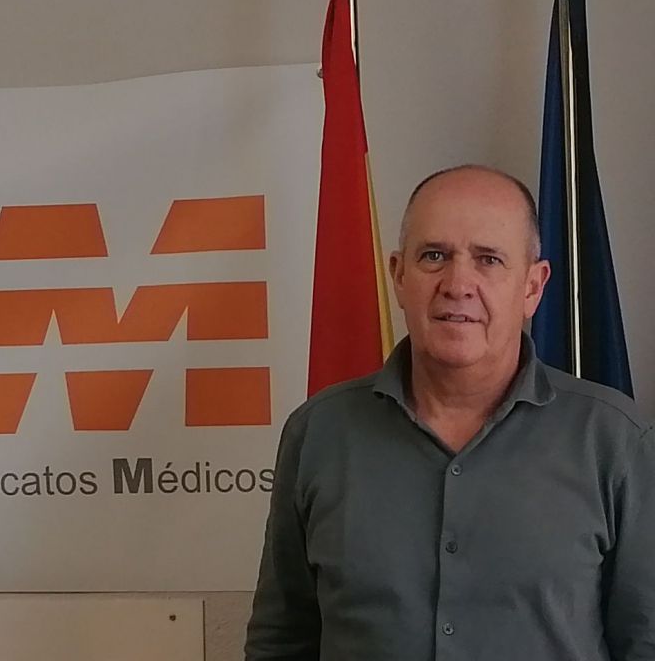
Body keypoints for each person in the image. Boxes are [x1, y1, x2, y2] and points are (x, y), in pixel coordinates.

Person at [244, 165, 655, 660]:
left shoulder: (615, 441)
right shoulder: (318, 433)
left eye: (488, 259)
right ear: (399, 275)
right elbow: (282, 640)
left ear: (532, 287)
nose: (458, 284)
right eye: (434, 256)